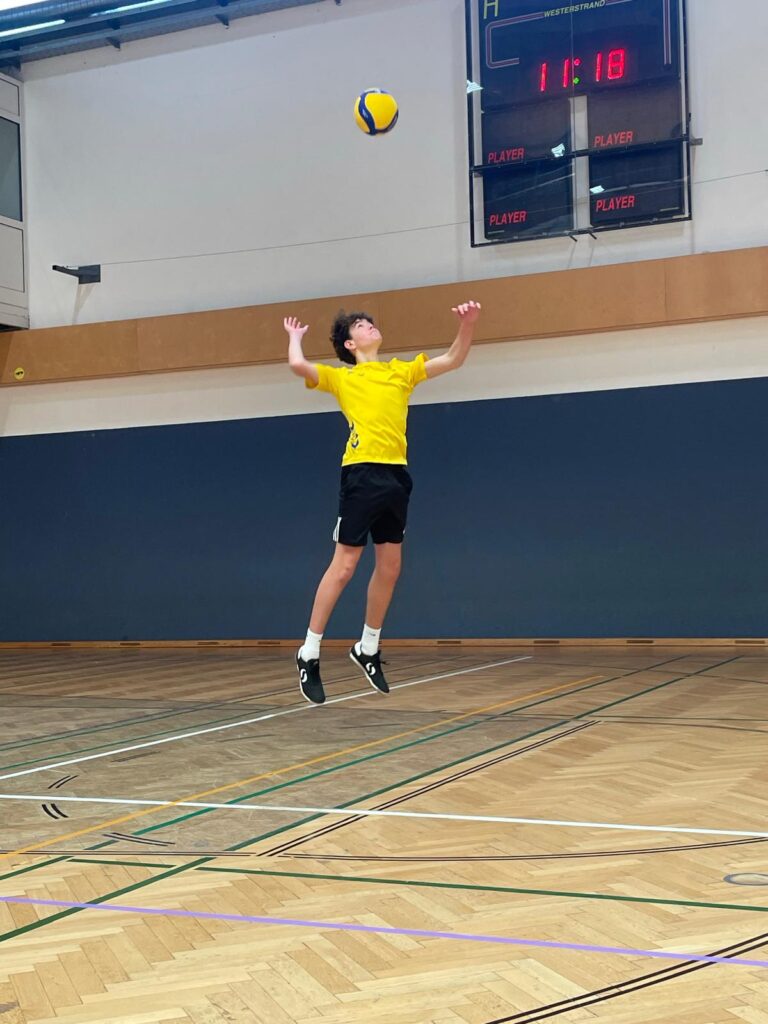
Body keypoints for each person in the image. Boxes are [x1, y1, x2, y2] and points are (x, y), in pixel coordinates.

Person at [284, 300, 481, 704]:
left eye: (371, 322)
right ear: (350, 344)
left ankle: (367, 647)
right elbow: (299, 368)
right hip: (360, 474)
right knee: (345, 567)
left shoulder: (400, 372)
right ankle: (309, 652)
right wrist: (295, 340)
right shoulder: (343, 378)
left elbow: (454, 359)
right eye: (360, 325)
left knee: (390, 566)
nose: (370, 326)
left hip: (396, 476)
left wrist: (468, 324)